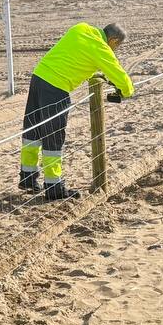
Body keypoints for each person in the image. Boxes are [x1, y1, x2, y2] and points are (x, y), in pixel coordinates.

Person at [18, 22, 134, 201]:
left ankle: (27, 177)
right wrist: (127, 92)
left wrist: (95, 73)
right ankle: (54, 187)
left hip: (39, 78)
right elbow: (121, 77)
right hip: (56, 88)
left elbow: (74, 57)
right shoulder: (101, 48)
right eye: (117, 46)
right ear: (113, 40)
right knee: (53, 138)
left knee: (32, 131)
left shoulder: (81, 28)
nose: (115, 50)